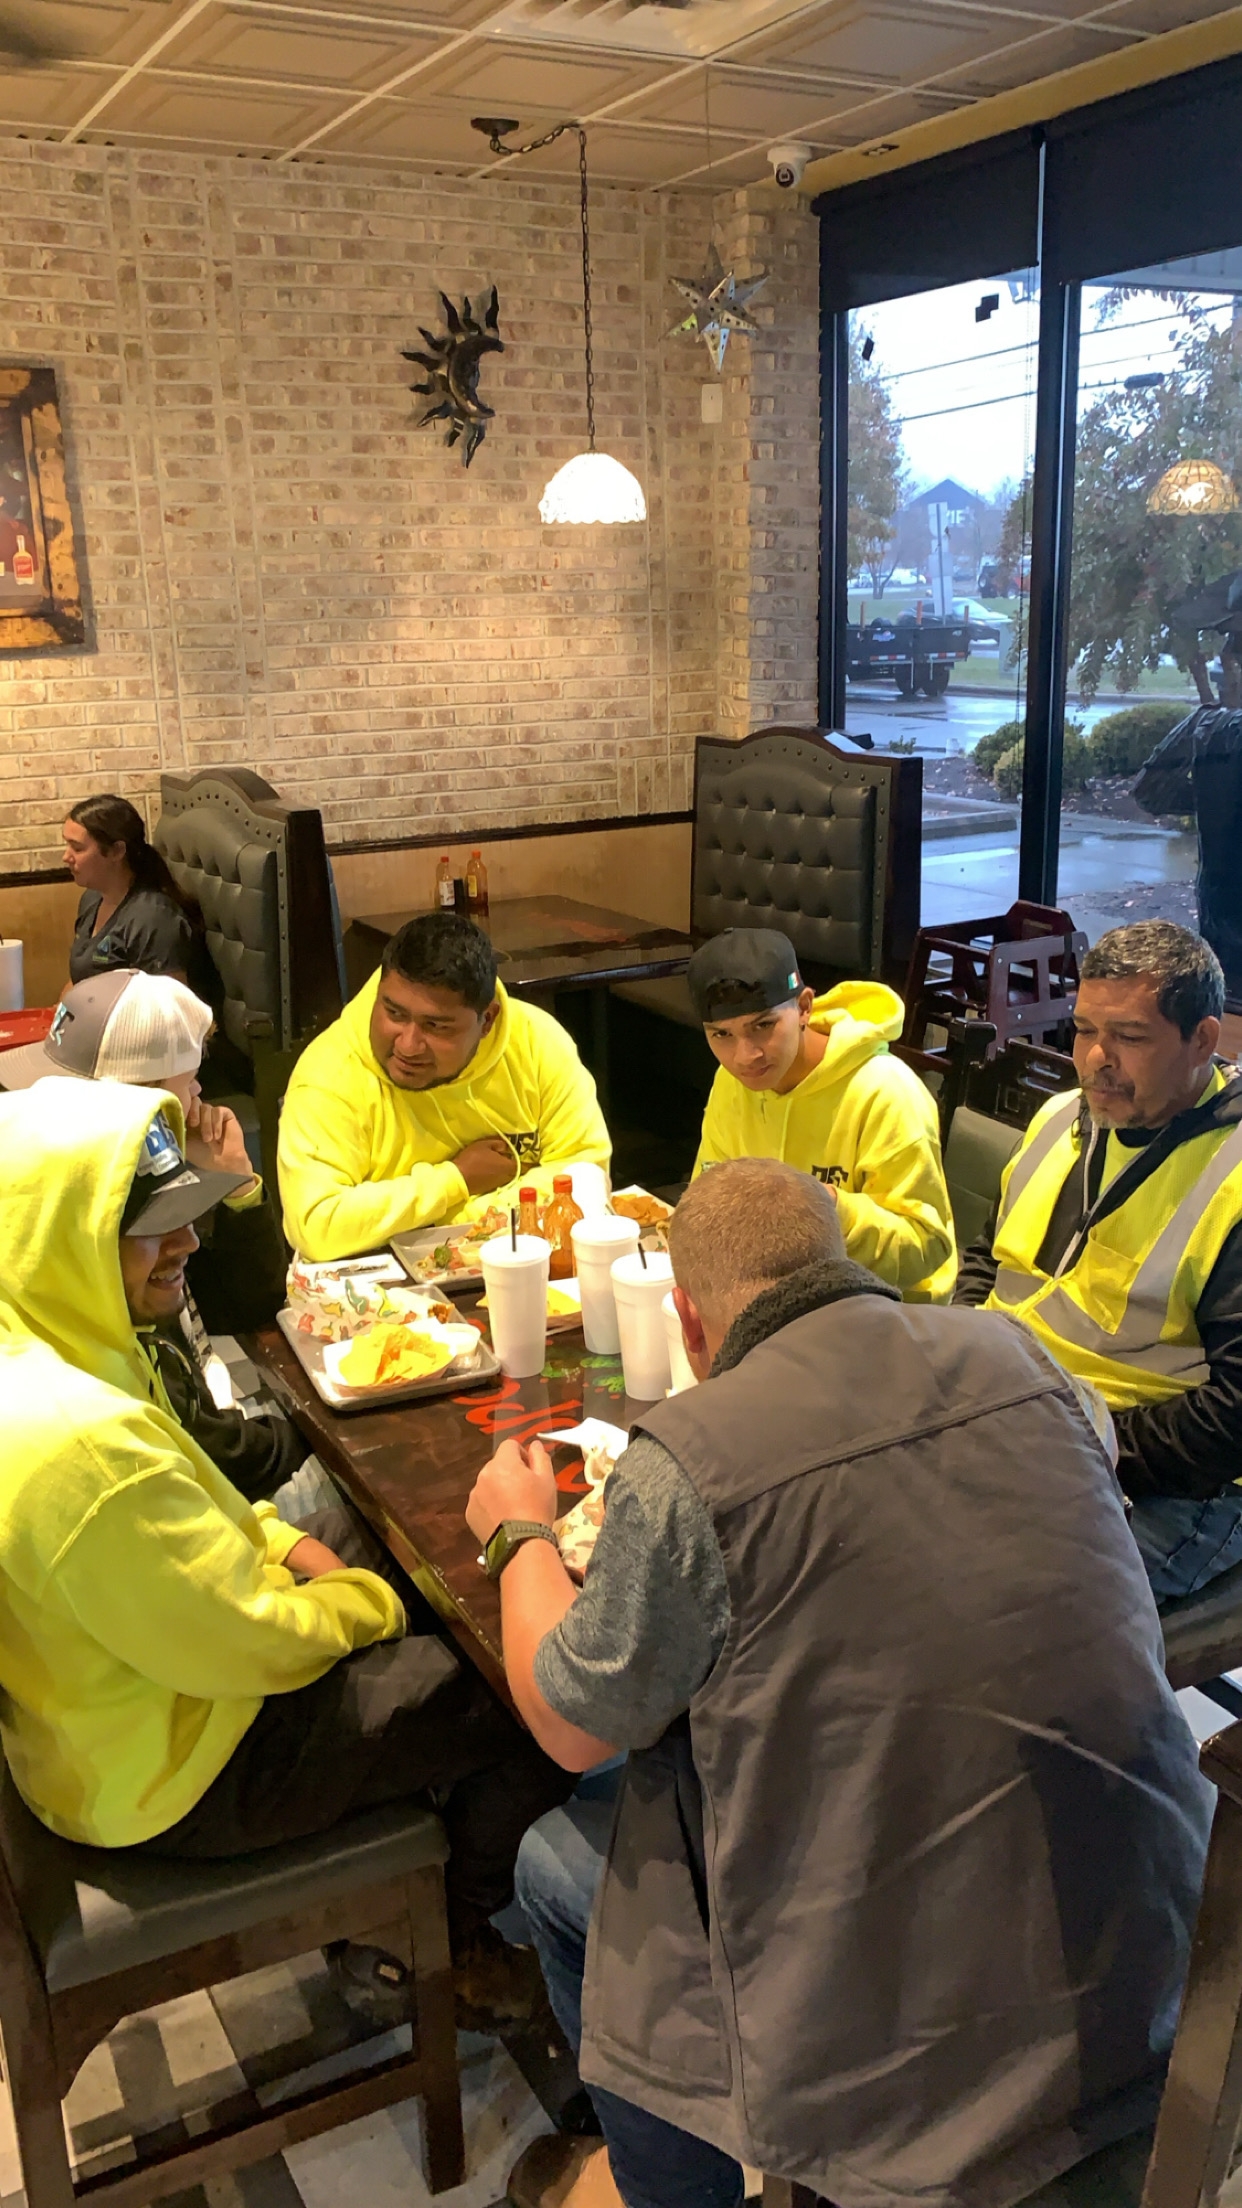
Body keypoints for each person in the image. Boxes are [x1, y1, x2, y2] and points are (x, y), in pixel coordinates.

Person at [466, 1158, 1210, 2208]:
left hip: (918, 2061)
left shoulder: (688, 1456)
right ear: (841, 1261)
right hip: (1157, 1939)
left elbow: (572, 1727)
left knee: (561, 1864)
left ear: (687, 1322)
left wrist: (518, 1532)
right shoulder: (1033, 1363)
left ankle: (667, 2189)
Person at [0, 1079, 572, 2008]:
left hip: (104, 1725)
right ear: (59, 1236)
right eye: (154, 1227)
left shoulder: (51, 1343)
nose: (188, 1241)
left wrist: (282, 1542)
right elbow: (250, 1639)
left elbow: (197, 1507)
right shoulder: (80, 1441)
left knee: (369, 1551)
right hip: (179, 1774)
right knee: (525, 1687)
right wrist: (372, 1606)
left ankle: (401, 1846)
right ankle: (446, 1939)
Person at [956, 919, 1242, 1607]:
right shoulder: (1062, 1117)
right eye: (1084, 1029)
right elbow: (985, 1265)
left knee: (988, 1612)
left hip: (1175, 1483)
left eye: (1130, 1037)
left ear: (1203, 1040)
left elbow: (1233, 1419)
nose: (1094, 1060)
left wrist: (1075, 1446)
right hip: (1021, 1425)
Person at [0, 967, 302, 1500]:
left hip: (214, 1428)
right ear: (137, 1096)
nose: (200, 1098)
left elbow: (242, 1303)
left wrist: (236, 1185)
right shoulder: (96, 1214)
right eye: (188, 1084)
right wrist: (308, 1443)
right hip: (194, 1469)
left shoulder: (153, 1169)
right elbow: (194, 1434)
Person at [279, 910, 611, 1261]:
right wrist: (457, 1180)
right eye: (394, 1013)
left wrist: (433, 1222)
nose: (407, 1045)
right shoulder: (329, 1074)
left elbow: (585, 1176)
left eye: (436, 1027)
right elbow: (316, 1227)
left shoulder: (537, 1044)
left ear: (488, 1020)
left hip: (523, 1267)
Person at [686, 928, 955, 1299]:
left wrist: (828, 1210)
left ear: (804, 1007)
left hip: (888, 1319)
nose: (745, 1056)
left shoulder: (886, 1092)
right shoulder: (732, 1082)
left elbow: (928, 1250)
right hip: (779, 1307)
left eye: (763, 1026)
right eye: (721, 1035)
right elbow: (709, 1198)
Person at [63, 793, 218, 1006]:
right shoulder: (92, 899)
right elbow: (80, 980)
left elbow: (172, 1011)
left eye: (77, 848)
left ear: (117, 851)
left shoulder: (153, 918)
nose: (66, 857)